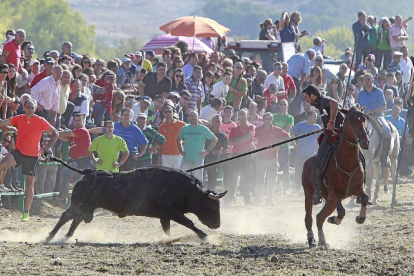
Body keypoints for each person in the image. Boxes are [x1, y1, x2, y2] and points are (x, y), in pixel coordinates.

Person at [0, 99, 58, 221]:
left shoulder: (40, 120)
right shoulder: (19, 118)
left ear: (35, 109)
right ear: (24, 107)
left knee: (29, 183)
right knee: (2, 163)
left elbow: (56, 133)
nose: (30, 109)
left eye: (32, 107)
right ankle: (1, 185)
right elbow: (2, 123)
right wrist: (12, 129)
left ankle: (26, 212)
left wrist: (46, 147)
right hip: (19, 152)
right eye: (28, 107)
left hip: (32, 156)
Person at [302, 84, 344, 205]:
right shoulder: (318, 105)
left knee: (319, 158)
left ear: (313, 96)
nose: (306, 99)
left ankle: (318, 191)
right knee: (319, 158)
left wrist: (331, 122)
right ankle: (319, 190)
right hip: (330, 133)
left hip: (339, 132)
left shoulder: (324, 100)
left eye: (306, 96)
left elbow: (335, 103)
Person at [254, 112, 290, 205]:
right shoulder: (257, 130)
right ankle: (258, 200)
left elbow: (287, 137)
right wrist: (255, 148)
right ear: (263, 120)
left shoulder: (277, 130)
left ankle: (270, 200)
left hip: (273, 158)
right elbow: (252, 140)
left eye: (270, 119)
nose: (268, 120)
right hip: (260, 158)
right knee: (259, 179)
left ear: (272, 120)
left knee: (272, 180)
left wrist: (280, 144)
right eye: (266, 119)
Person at [58, 113, 92, 198]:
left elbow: (67, 134)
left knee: (65, 172)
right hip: (77, 161)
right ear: (73, 122)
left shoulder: (82, 130)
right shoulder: (75, 133)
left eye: (79, 120)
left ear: (83, 121)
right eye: (75, 120)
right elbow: (64, 138)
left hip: (83, 160)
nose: (77, 122)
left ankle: (64, 193)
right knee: (78, 183)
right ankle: (74, 200)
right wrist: (58, 133)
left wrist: (57, 132)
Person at [177, 111, 218, 182]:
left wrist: (207, 150)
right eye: (191, 116)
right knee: (182, 180)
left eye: (195, 116)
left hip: (198, 161)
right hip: (186, 160)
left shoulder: (203, 129)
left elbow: (214, 139)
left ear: (198, 117)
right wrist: (180, 150)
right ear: (188, 118)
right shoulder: (185, 128)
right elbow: (178, 139)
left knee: (198, 183)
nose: (193, 118)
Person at [228, 109, 255, 206]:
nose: (242, 116)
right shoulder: (234, 128)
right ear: (238, 116)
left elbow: (248, 138)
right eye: (240, 114)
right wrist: (240, 140)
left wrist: (237, 140)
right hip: (235, 154)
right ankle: (229, 201)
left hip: (246, 155)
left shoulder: (251, 127)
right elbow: (230, 141)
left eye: (244, 114)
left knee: (246, 179)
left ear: (247, 115)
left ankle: (247, 202)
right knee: (233, 178)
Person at [291, 110, 321, 190]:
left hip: (311, 155)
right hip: (300, 153)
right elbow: (292, 133)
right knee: (299, 171)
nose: (316, 118)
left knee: (312, 172)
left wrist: (318, 147)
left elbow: (320, 138)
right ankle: (296, 187)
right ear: (309, 116)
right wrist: (294, 144)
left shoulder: (317, 127)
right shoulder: (300, 125)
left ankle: (310, 188)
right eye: (314, 116)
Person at [272, 99, 294, 192]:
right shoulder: (273, 117)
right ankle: (272, 186)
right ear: (278, 106)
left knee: (285, 166)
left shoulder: (290, 117)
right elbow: (271, 130)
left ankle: (286, 188)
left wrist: (278, 132)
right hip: (274, 145)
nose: (283, 106)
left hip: (284, 146)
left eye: (285, 104)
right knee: (273, 166)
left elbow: (287, 130)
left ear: (287, 106)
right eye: (281, 104)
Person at [287, 49, 315, 117]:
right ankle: (292, 115)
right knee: (296, 99)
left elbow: (287, 64)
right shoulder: (307, 60)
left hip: (287, 77)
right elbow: (304, 74)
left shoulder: (295, 55)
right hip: (295, 79)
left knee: (287, 96)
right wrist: (300, 85)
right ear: (311, 55)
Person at [204, 114, 228, 189]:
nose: (217, 123)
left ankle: (211, 194)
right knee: (200, 177)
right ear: (211, 122)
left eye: (219, 121)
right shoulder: (206, 132)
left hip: (214, 159)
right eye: (216, 121)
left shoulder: (222, 135)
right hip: (203, 157)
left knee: (212, 179)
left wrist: (220, 152)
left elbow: (226, 149)